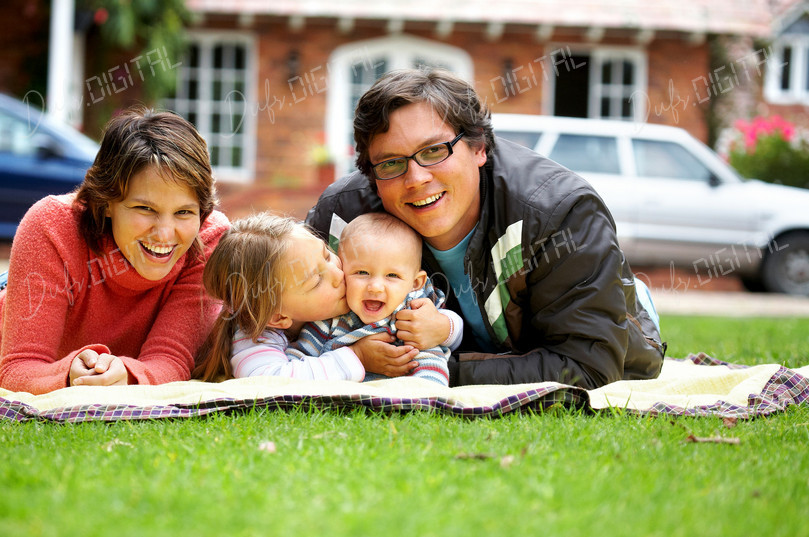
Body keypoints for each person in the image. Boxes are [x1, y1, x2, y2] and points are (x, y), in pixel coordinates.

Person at [306, 68, 666, 389]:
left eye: (434, 151)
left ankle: (635, 296)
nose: (416, 178)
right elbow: (282, 318)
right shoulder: (343, 216)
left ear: (479, 147)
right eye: (391, 163)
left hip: (603, 329)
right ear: (371, 173)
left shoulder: (561, 214)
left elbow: (588, 365)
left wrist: (428, 371)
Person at [0, 108, 230, 394]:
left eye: (184, 212)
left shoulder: (208, 238)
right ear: (106, 202)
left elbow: (171, 359)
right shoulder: (51, 226)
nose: (165, 233)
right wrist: (70, 375)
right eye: (145, 208)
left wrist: (129, 376)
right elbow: (18, 368)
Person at [192, 212, 423, 382]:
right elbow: (270, 382)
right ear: (278, 317)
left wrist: (437, 325)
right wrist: (358, 356)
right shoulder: (253, 335)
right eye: (317, 280)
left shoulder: (346, 297)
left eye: (327, 255)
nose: (338, 274)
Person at [288, 212, 462, 386]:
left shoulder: (416, 305)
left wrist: (442, 327)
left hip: (419, 385)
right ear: (342, 272)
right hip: (354, 396)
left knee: (429, 361)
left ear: (415, 283)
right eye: (362, 273)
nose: (376, 287)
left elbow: (452, 329)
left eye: (392, 275)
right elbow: (296, 361)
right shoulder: (332, 317)